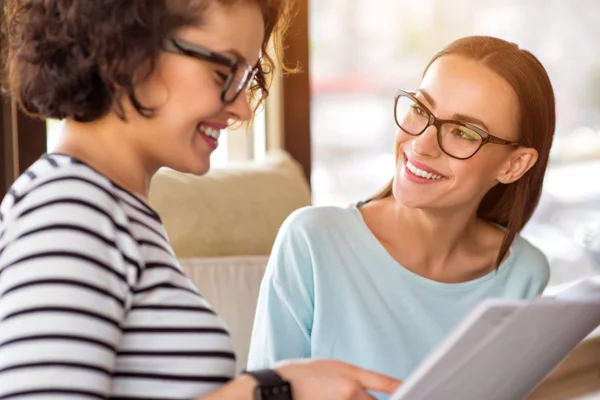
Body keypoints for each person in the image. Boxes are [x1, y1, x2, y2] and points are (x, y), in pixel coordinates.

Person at [0, 1, 401, 399]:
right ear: (125, 48)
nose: (242, 108)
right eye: (223, 71)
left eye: (248, 79)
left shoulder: (113, 212)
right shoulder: (70, 211)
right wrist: (270, 391)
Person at [248, 35, 556, 397]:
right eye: (421, 110)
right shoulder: (312, 241)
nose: (421, 144)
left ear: (514, 164)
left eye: (463, 132)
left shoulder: (523, 274)